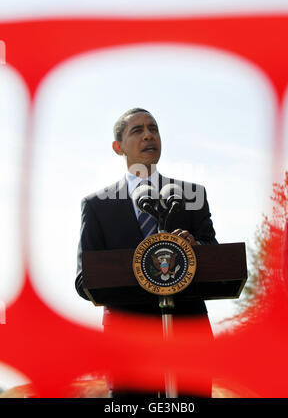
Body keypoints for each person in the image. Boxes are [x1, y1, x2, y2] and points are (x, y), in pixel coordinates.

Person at [75, 108, 217, 398]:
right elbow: (83, 280)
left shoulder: (191, 196)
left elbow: (217, 261)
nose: (149, 135)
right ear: (118, 147)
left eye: (153, 128)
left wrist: (195, 249)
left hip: (189, 340)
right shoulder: (97, 206)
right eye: (137, 130)